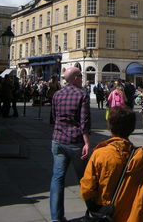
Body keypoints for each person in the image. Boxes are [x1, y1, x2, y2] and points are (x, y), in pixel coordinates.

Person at [80, 106, 143, 222]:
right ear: (132, 129)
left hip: (109, 216)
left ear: (110, 127)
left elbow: (87, 189)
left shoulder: (100, 154)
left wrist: (95, 208)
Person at [49, 67, 91, 222]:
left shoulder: (57, 94)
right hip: (75, 142)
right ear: (75, 78)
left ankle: (56, 218)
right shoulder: (82, 95)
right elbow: (84, 121)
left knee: (57, 178)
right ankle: (95, 211)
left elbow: (54, 117)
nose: (82, 78)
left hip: (57, 140)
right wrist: (87, 142)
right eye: (80, 75)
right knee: (84, 179)